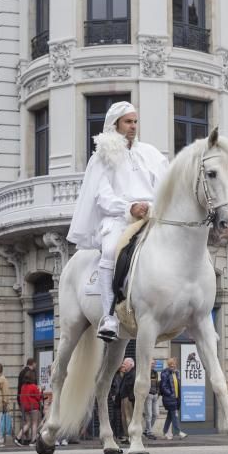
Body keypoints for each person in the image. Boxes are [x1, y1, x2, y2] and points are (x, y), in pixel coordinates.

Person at [66, 101, 169, 342]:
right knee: (111, 250)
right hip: (118, 219)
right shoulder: (103, 156)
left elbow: (165, 187)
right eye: (128, 122)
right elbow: (101, 195)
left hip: (152, 216)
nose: (133, 126)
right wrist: (130, 207)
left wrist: (154, 207)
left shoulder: (151, 153)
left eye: (135, 121)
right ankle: (109, 315)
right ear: (116, 125)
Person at [160, 358, 186, 440]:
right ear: (168, 365)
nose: (173, 365)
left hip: (176, 398)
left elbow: (177, 386)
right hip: (170, 398)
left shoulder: (176, 373)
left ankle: (164, 432)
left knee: (170, 417)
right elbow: (163, 386)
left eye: (174, 364)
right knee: (174, 415)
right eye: (171, 364)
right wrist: (170, 394)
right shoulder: (165, 373)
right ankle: (178, 432)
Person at [16, 369, 41, 446]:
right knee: (34, 423)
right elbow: (38, 397)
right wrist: (40, 390)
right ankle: (33, 440)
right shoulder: (33, 386)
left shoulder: (23, 386)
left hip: (25, 407)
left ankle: (18, 437)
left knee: (28, 423)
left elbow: (21, 397)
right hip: (33, 406)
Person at [142, 368, 160, 440]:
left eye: (153, 363)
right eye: (151, 363)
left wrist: (158, 392)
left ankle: (147, 430)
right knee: (148, 414)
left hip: (155, 395)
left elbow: (157, 383)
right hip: (148, 395)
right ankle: (149, 432)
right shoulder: (145, 372)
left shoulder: (155, 372)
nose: (152, 365)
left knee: (155, 414)